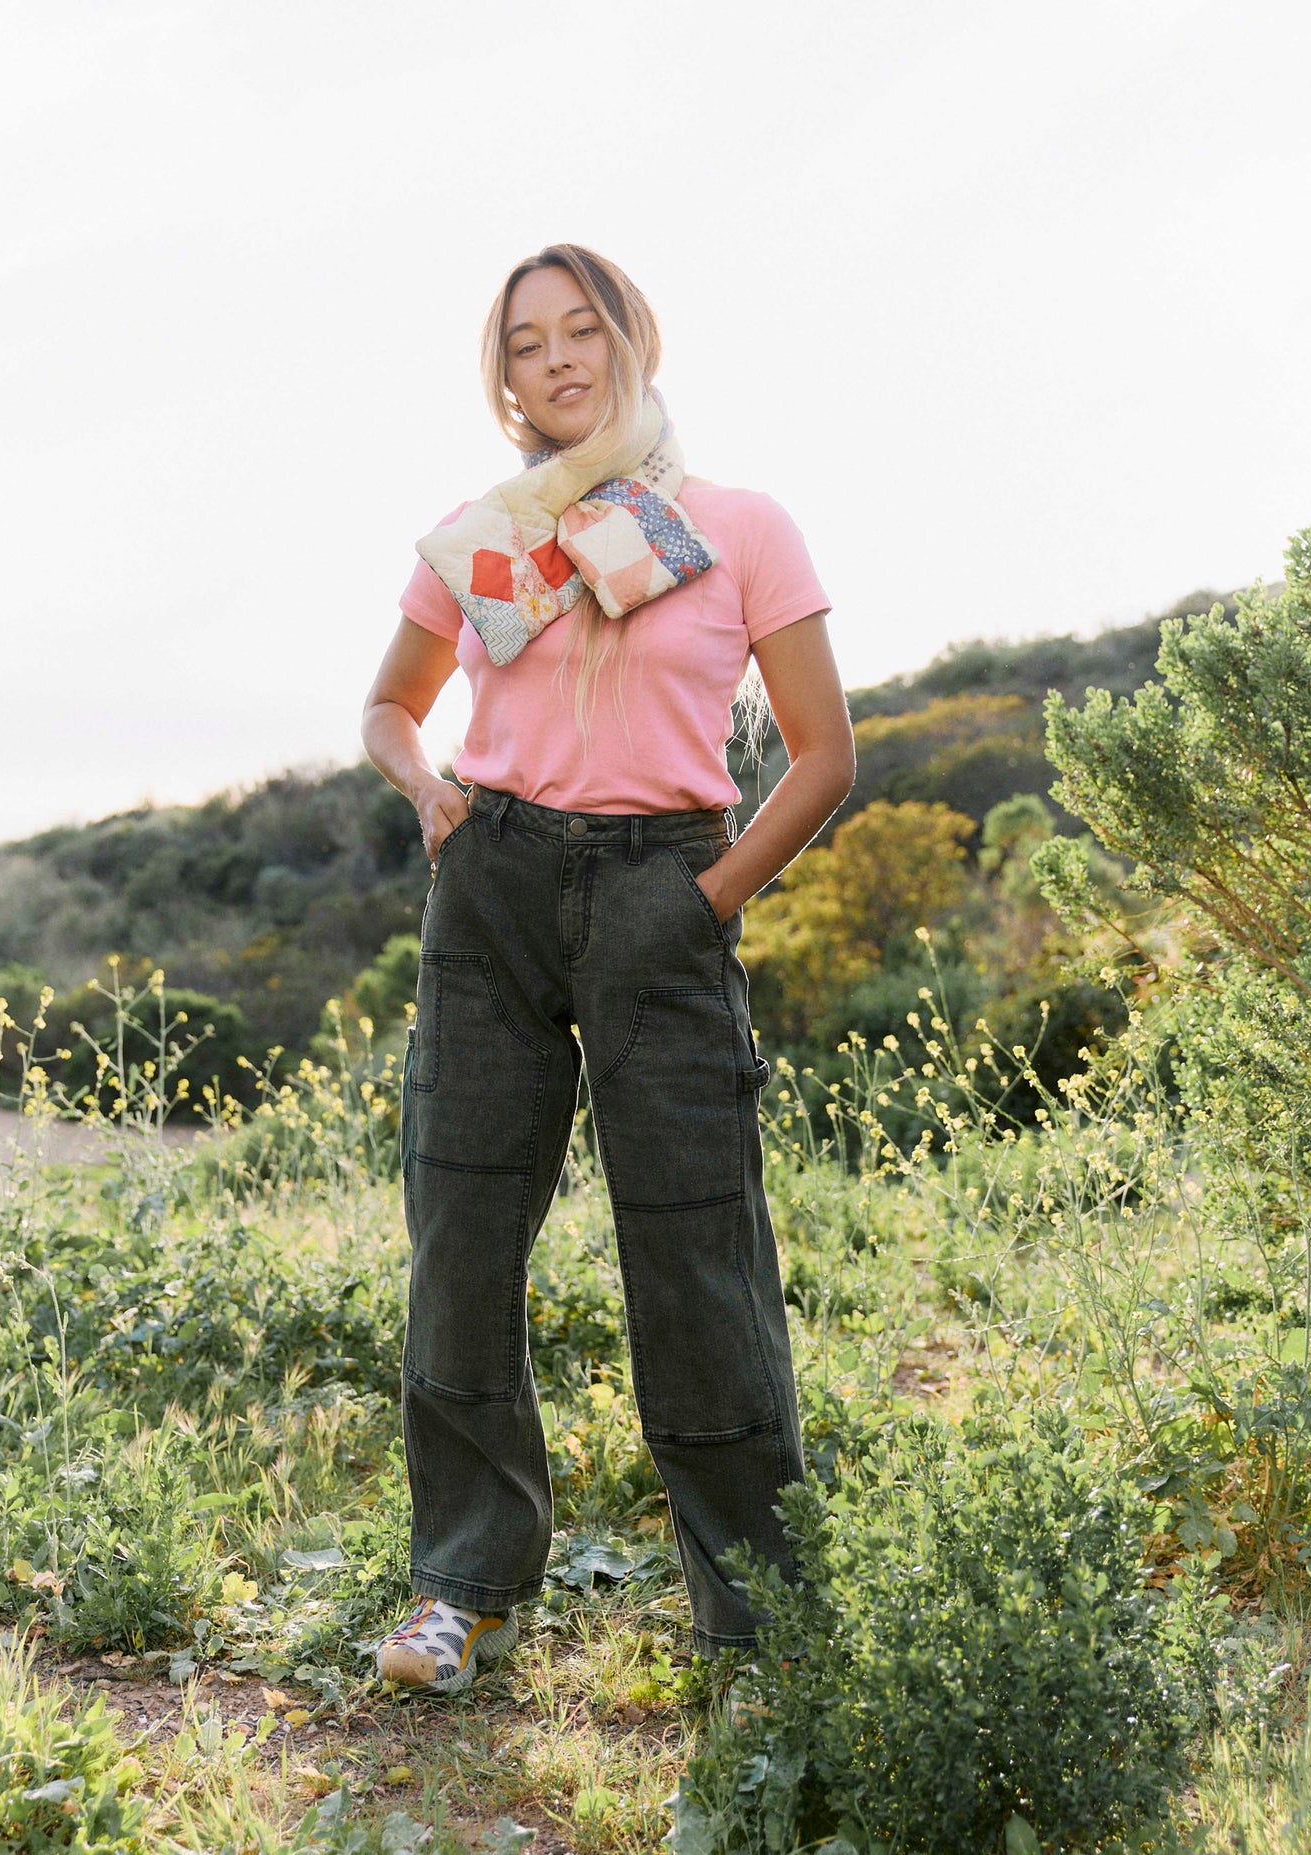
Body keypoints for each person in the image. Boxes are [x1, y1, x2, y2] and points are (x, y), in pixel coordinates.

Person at [359, 243, 855, 1694]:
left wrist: (705, 902)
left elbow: (824, 758)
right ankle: (463, 1587)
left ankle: (757, 1620)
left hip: (663, 885)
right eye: (528, 343)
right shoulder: (481, 535)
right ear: (503, 376)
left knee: (698, 1252)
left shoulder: (739, 524)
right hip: (495, 890)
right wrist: (432, 793)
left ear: (634, 338)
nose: (559, 359)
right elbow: (391, 708)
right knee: (460, 1237)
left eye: (584, 330)